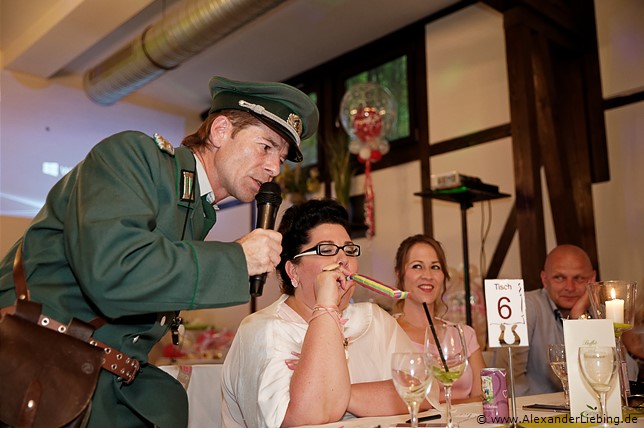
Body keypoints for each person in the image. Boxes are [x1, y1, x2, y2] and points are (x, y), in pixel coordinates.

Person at [0, 76, 318, 427]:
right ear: (221, 131)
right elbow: (113, 273)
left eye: (282, 158)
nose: (275, 168)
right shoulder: (133, 156)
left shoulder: (197, 211)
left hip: (104, 383)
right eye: (266, 146)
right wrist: (237, 258)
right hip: (39, 370)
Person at [221, 199, 433, 427]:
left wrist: (342, 394)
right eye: (327, 249)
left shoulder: (374, 319)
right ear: (293, 270)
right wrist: (326, 305)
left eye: (349, 250)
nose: (344, 259)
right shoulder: (263, 330)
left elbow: (426, 391)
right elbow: (303, 418)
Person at [392, 234, 485, 403]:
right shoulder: (388, 333)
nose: (427, 275)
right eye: (417, 266)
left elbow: (485, 398)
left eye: (435, 267)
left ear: (444, 276)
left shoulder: (464, 334)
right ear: (399, 275)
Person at [494, 244, 596, 396]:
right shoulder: (519, 306)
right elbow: (507, 380)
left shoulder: (599, 309)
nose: (569, 287)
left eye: (579, 278)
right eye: (559, 278)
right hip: (532, 413)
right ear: (544, 279)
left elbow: (627, 375)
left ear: (592, 279)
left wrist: (579, 316)